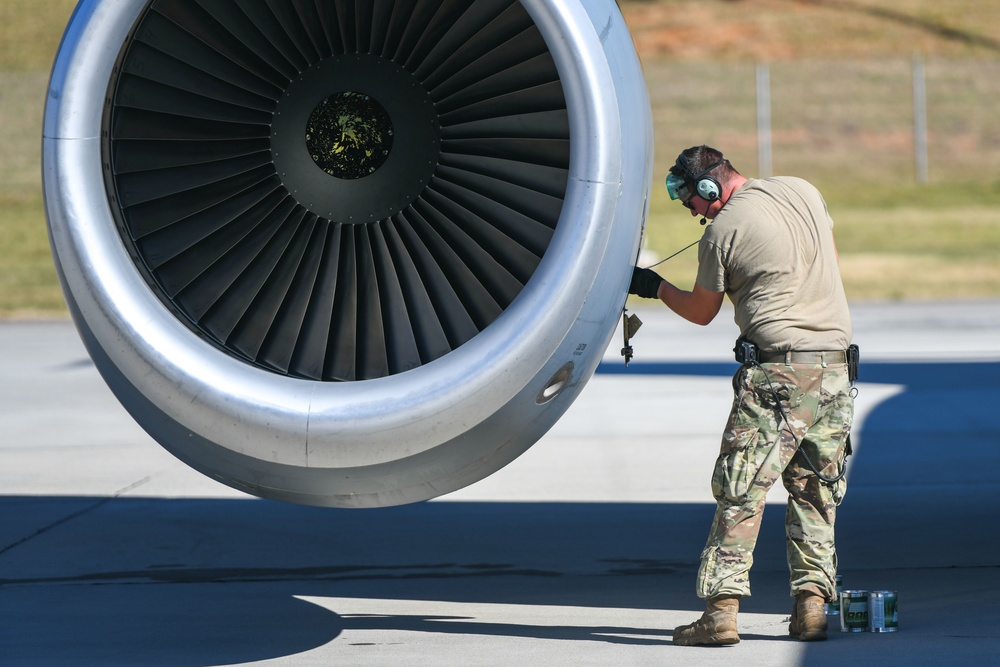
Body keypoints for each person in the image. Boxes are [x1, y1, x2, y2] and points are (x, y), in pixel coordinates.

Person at [629, 145, 855, 646]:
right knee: (815, 495)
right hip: (835, 373)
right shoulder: (803, 190)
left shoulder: (721, 233)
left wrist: (653, 286)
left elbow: (700, 311)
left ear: (708, 189)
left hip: (776, 377)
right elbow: (830, 263)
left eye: (689, 199)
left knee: (741, 493)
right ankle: (812, 609)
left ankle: (721, 613)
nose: (690, 210)